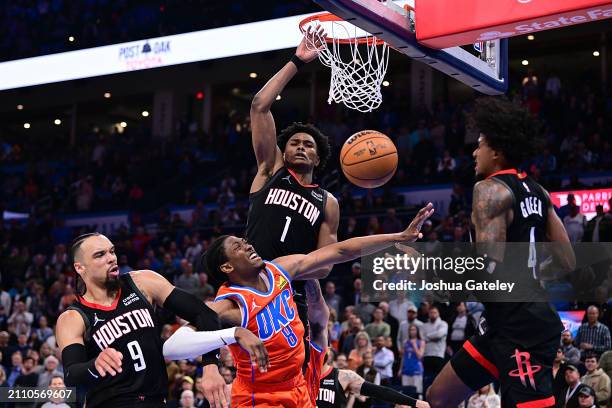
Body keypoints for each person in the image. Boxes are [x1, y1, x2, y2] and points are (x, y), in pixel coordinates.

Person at [164, 203, 434, 407]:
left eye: (245, 241)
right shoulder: (230, 305)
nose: (247, 245)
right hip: (260, 397)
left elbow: (340, 251)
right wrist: (227, 340)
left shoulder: (280, 269)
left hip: (299, 386)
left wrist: (397, 237)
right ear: (227, 266)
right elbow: (172, 346)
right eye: (238, 247)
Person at [201, 26, 341, 404]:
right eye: (293, 141)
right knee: (217, 337)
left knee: (286, 382)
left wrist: (282, 270)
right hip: (246, 283)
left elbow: (325, 266)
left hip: (286, 292)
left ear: (317, 156)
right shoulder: (269, 170)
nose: (299, 145)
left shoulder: (327, 201)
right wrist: (297, 60)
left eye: (307, 144)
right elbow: (259, 105)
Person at [426, 97, 576, 408]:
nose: (473, 152)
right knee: (439, 397)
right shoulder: (538, 191)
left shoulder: (489, 189)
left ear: (496, 151)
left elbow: (488, 266)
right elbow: (567, 259)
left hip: (521, 326)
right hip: (508, 320)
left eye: (479, 145)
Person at [56, 233, 266, 408]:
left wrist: (210, 365)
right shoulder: (73, 317)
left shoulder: (143, 282)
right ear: (79, 268)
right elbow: (72, 375)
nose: (111, 258)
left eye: (112, 251)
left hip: (157, 400)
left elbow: (205, 314)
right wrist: (95, 364)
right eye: (100, 255)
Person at [399, 324, 425, 396]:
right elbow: (403, 356)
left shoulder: (421, 342)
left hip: (416, 369)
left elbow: (420, 356)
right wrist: (400, 369)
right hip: (406, 369)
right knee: (406, 393)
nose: (412, 331)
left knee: (417, 392)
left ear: (417, 331)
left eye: (414, 330)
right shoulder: (405, 342)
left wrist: (414, 345)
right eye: (410, 330)